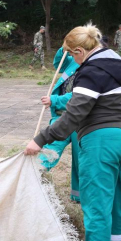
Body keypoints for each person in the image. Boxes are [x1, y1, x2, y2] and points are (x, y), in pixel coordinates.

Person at [25, 23, 121, 241]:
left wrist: (40, 139)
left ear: (79, 51)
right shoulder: (119, 65)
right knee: (118, 202)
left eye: (71, 55)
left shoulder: (91, 71)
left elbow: (74, 115)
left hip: (101, 145)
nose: (73, 62)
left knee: (97, 207)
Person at [39, 46, 80, 202]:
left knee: (80, 160)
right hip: (61, 117)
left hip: (81, 119)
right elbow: (58, 63)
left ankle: (79, 196)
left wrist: (54, 100)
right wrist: (63, 49)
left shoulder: (92, 67)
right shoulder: (73, 60)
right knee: (50, 149)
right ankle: (34, 176)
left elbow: (79, 94)